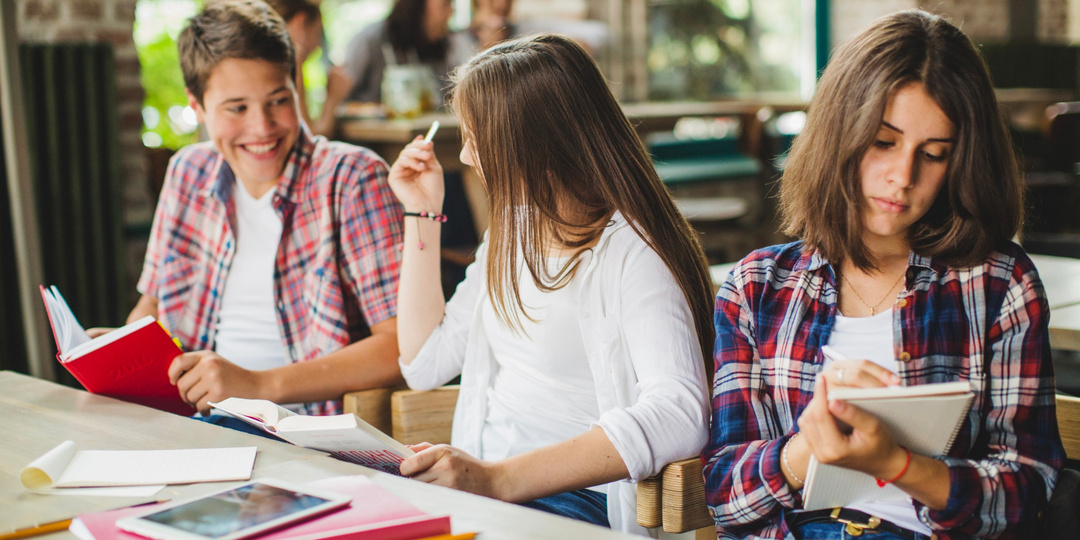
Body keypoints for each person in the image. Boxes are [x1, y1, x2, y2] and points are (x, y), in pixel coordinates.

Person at [701, 10, 1065, 540]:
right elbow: (724, 497)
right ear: (837, 133)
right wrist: (810, 446)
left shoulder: (998, 284)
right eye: (883, 142)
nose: (903, 177)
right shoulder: (756, 288)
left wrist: (898, 464)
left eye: (934, 154)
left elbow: (1027, 491)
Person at [386, 34, 714, 534]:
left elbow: (680, 412)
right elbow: (424, 362)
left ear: (532, 144)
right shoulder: (511, 232)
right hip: (487, 494)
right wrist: (421, 213)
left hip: (573, 503)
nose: (469, 159)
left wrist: (496, 479)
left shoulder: (632, 251)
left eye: (478, 138)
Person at [118, 0, 404, 419]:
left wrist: (258, 385)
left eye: (277, 100)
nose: (263, 127)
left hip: (306, 432)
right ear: (196, 106)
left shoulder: (352, 179)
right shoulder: (188, 172)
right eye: (237, 108)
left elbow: (400, 346)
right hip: (196, 421)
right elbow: (152, 306)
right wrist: (123, 355)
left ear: (295, 85)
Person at [313, 0, 469, 136]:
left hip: (431, 136)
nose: (450, 13)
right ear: (418, 6)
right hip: (374, 143)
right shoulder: (371, 40)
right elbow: (340, 101)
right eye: (445, 4)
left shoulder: (440, 45)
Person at [263, 0, 324, 128]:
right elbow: (306, 136)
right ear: (299, 23)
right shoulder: (287, 60)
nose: (318, 45)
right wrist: (333, 100)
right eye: (318, 33)